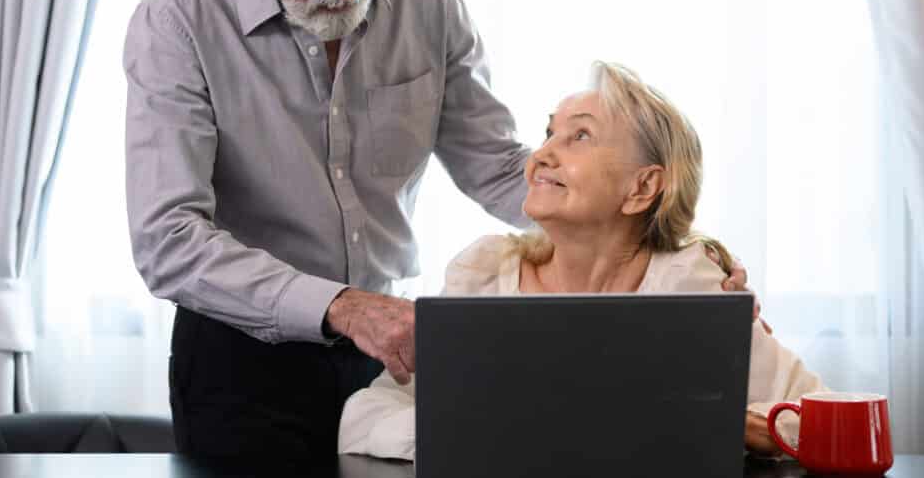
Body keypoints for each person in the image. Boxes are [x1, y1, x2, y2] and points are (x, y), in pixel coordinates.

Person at [123, 0, 749, 462]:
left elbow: (502, 167)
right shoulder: (179, 20)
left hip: (386, 351)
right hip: (241, 363)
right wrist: (340, 304)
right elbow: (168, 240)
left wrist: (673, 251)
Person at [338, 61, 828, 460]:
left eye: (580, 137)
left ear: (642, 188)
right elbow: (364, 419)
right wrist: (490, 434)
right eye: (549, 133)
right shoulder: (486, 277)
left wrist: (725, 424)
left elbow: (819, 418)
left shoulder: (692, 287)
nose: (540, 155)